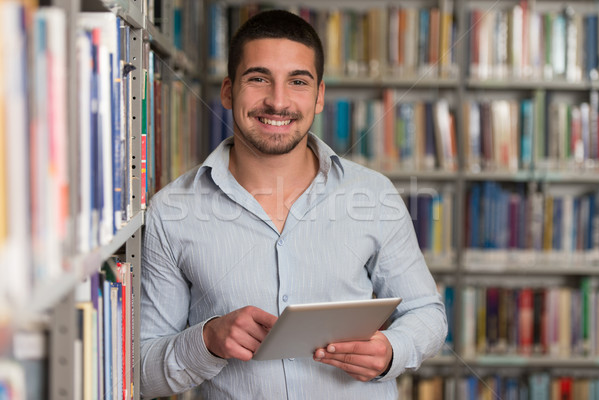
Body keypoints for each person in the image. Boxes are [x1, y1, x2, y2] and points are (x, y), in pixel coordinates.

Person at [140, 9, 447, 399]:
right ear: (228, 91)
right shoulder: (171, 211)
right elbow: (144, 372)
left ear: (319, 96)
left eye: (298, 81)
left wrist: (391, 351)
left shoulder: (374, 195)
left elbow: (427, 313)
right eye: (258, 78)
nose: (278, 101)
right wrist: (206, 341)